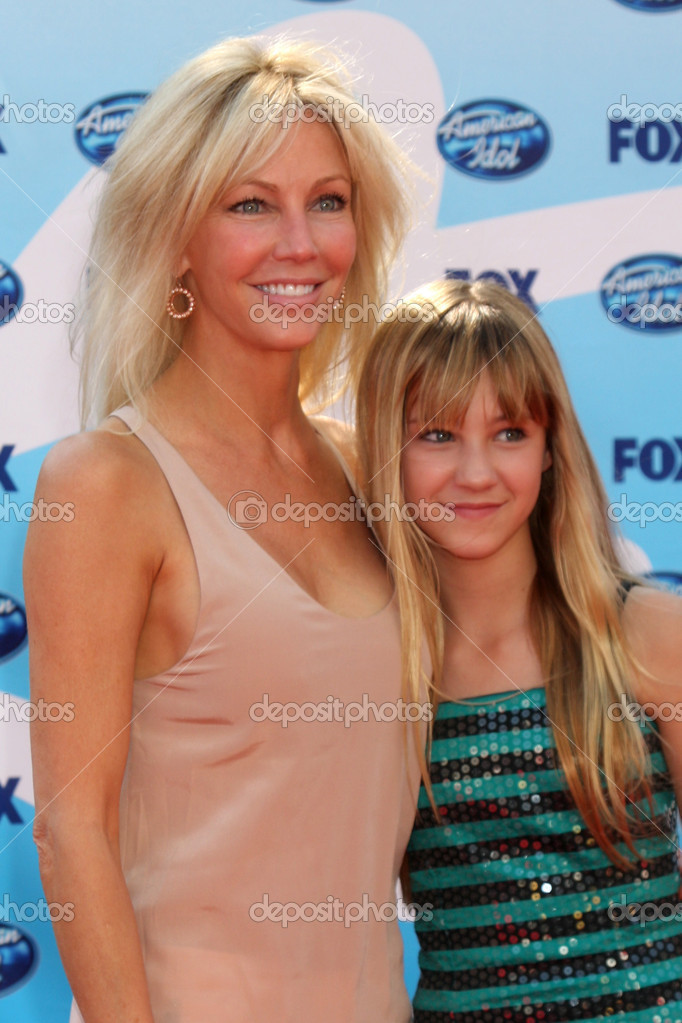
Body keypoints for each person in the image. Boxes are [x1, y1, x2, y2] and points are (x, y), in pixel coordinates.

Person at [24, 36, 424, 1023]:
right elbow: (71, 827)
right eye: (251, 203)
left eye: (326, 201)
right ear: (174, 238)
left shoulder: (369, 470)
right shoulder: (108, 483)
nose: (300, 243)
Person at [354, 278, 682, 1022]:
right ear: (386, 448)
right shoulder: (373, 671)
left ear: (550, 449)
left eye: (509, 433)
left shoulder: (650, 635)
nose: (476, 472)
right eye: (436, 434)